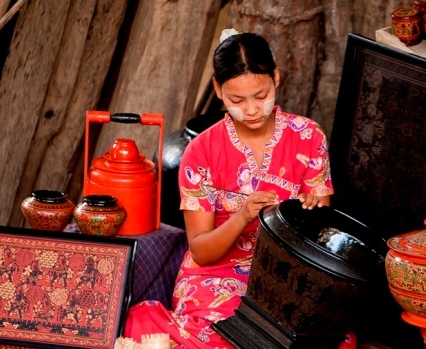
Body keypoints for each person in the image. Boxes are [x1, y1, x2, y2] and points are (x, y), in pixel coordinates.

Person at [123, 30, 355, 348]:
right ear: (218, 89)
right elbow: (202, 252)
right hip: (215, 275)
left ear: (276, 77)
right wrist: (243, 215)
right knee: (228, 341)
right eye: (237, 100)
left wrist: (310, 213)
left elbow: (323, 236)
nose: (251, 110)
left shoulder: (308, 136)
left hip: (290, 277)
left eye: (261, 96)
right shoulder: (201, 151)